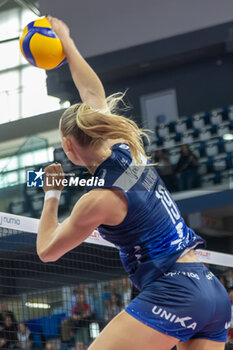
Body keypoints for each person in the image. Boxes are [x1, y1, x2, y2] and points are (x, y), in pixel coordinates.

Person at [36, 15, 231, 350]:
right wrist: (66, 43)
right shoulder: (124, 148)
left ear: (68, 146)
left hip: (175, 293)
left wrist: (52, 193)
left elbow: (47, 250)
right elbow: (92, 91)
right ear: (99, 129)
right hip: (211, 293)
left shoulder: (97, 199)